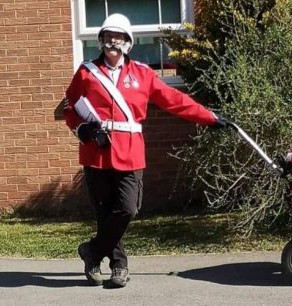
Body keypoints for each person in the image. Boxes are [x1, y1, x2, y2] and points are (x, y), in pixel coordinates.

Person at [63, 13, 228, 288]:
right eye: (107, 36)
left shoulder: (142, 74)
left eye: (118, 37)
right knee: (105, 213)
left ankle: (91, 251)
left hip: (129, 152)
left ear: (128, 42)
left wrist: (208, 117)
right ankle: (118, 266)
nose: (112, 42)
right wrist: (83, 129)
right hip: (96, 152)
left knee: (127, 208)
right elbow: (69, 108)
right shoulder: (86, 73)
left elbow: (175, 101)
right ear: (101, 40)